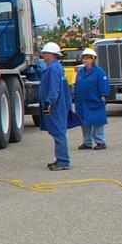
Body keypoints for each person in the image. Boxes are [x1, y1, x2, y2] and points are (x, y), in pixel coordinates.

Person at [38, 42, 80, 170]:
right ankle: (61, 159)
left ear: (51, 54)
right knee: (58, 132)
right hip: (59, 105)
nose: (44, 56)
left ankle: (63, 162)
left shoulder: (53, 69)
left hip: (55, 106)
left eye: (45, 53)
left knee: (58, 133)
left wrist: (48, 103)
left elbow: (54, 89)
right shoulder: (57, 68)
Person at [73, 48, 110, 150]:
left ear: (92, 59)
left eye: (87, 58)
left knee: (97, 121)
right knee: (84, 122)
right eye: (83, 58)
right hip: (82, 101)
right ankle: (87, 142)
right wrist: (75, 96)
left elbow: (104, 84)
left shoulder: (99, 72)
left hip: (95, 100)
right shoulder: (80, 72)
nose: (84, 60)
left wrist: (103, 95)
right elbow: (77, 84)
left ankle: (100, 142)